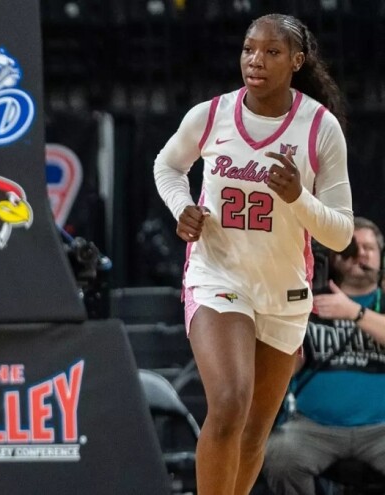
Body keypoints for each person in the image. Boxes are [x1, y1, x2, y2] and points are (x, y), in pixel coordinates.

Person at [153, 13, 354, 495]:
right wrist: (183, 207)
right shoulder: (211, 114)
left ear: (296, 61)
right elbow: (168, 165)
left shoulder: (320, 128)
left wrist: (298, 198)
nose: (255, 61)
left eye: (271, 52)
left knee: (254, 432)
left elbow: (343, 233)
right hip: (217, 274)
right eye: (248, 49)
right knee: (227, 403)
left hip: (283, 292)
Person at [264, 218, 385, 494]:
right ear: (335, 255)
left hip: (380, 428)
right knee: (281, 456)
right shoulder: (308, 302)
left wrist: (355, 312)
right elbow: (283, 368)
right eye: (352, 247)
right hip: (313, 427)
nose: (361, 254)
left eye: (369, 248)